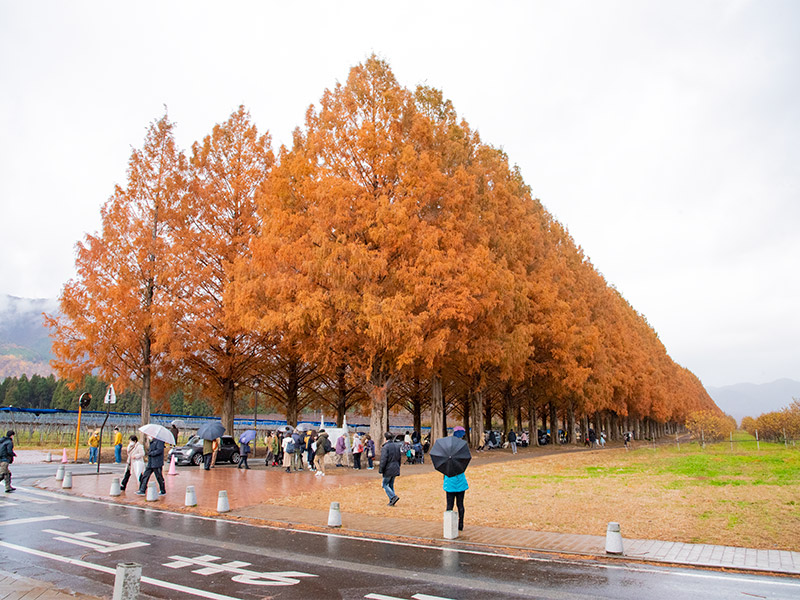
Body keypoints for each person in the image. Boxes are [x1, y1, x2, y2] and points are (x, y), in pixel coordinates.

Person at [444, 428, 469, 530]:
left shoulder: (446, 457)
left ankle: (449, 525)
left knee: (449, 505)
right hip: (461, 482)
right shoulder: (461, 455)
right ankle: (461, 524)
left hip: (450, 483)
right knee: (460, 505)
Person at [378, 432, 401, 506]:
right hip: (395, 467)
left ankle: (393, 497)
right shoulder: (397, 446)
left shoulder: (386, 447)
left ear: (385, 439)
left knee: (384, 484)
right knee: (391, 484)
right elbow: (399, 458)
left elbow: (383, 459)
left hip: (388, 468)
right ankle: (392, 500)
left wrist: (381, 469)